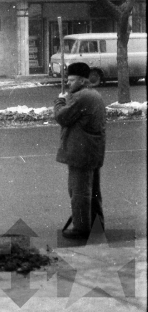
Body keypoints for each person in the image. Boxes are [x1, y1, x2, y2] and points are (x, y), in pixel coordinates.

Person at [54, 62, 106, 239]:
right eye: (68, 80)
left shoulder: (81, 97)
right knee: (93, 191)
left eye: (72, 80)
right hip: (92, 151)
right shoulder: (94, 95)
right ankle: (97, 225)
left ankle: (81, 228)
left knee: (79, 192)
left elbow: (62, 117)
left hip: (80, 152)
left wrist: (60, 101)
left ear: (83, 81)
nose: (69, 83)